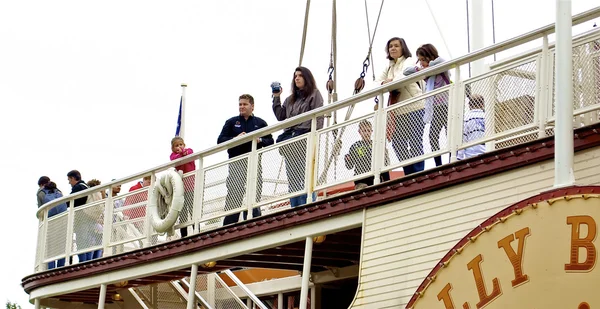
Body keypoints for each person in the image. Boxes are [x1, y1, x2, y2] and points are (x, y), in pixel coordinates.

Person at [217, 94, 274, 225]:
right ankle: (229, 225)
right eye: (240, 104)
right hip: (237, 163)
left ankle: (254, 221)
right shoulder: (231, 122)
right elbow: (220, 140)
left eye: (244, 104)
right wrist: (235, 138)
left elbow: (271, 140)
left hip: (254, 163)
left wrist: (260, 140)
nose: (241, 107)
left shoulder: (260, 123)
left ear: (252, 106)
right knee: (234, 192)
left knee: (255, 191)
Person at [272, 66, 324, 207]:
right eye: (295, 76)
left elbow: (319, 117)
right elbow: (280, 116)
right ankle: (295, 208)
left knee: (305, 177)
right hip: (290, 141)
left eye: (300, 75)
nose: (297, 78)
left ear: (307, 78)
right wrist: (276, 97)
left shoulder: (314, 94)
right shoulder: (290, 100)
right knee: (293, 179)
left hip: (305, 137)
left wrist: (314, 137)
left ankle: (306, 206)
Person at [375, 37, 424, 176]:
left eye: (396, 46)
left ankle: (418, 173)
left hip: (414, 107)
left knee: (415, 141)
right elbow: (376, 83)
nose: (393, 48)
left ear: (403, 48)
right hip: (398, 112)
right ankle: (409, 173)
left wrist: (388, 82)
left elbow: (402, 78)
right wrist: (385, 83)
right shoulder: (389, 66)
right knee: (398, 144)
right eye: (390, 46)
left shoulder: (409, 61)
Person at [405, 43, 450, 167]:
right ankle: (438, 164)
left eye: (424, 59)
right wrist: (419, 69)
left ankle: (453, 159)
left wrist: (428, 66)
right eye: (420, 60)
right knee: (433, 136)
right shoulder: (426, 73)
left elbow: (441, 61)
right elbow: (406, 72)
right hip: (436, 108)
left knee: (449, 134)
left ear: (430, 56)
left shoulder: (441, 68)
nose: (422, 63)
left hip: (447, 105)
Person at [344, 120, 391, 189]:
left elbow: (385, 163)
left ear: (372, 131)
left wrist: (385, 153)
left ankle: (388, 184)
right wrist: (347, 160)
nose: (367, 133)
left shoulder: (376, 144)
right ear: (360, 132)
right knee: (363, 189)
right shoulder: (355, 146)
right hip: (361, 179)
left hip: (375, 177)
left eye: (368, 131)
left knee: (382, 167)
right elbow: (350, 166)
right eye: (364, 131)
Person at [66, 170, 98, 263]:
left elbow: (69, 201)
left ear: (73, 178)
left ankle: (83, 262)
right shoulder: (86, 187)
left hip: (82, 218)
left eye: (69, 180)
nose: (69, 182)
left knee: (81, 240)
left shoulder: (78, 187)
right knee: (88, 241)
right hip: (90, 217)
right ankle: (88, 260)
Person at [170, 137, 196, 237]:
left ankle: (196, 229)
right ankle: (183, 235)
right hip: (180, 189)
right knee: (183, 211)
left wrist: (183, 152)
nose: (179, 147)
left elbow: (189, 153)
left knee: (193, 209)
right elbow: (174, 159)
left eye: (181, 144)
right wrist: (180, 154)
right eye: (176, 145)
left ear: (184, 145)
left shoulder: (189, 150)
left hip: (191, 187)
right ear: (173, 148)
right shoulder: (173, 156)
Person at [39, 180, 67, 269]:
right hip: (62, 220)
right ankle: (61, 266)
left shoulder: (43, 194)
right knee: (62, 245)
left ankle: (51, 267)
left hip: (51, 222)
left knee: (50, 247)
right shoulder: (59, 193)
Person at [457, 94, 486, 160]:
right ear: (482, 104)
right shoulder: (486, 117)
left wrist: (459, 157)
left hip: (471, 154)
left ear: (470, 105)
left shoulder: (465, 118)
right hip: (486, 152)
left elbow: (463, 138)